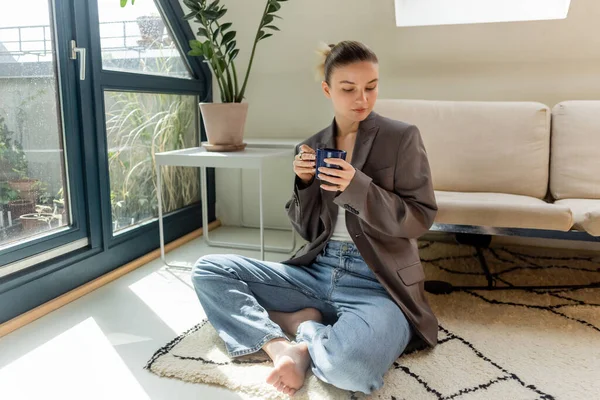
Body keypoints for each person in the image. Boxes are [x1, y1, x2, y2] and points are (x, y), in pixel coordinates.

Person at [192, 40, 438, 397]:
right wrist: (304, 184)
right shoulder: (312, 146)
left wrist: (359, 187)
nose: (363, 99)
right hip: (316, 272)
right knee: (209, 269)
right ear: (327, 89)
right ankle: (279, 346)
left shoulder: (401, 138)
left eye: (371, 87)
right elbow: (307, 231)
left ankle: (305, 334)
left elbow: (420, 217)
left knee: (350, 370)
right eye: (348, 88)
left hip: (379, 283)